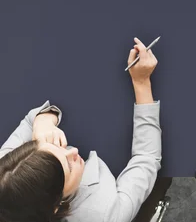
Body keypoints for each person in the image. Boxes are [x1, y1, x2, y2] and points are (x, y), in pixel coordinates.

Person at [0, 38, 161, 222]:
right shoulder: (104, 215)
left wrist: (43, 122)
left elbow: (31, 121)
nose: (73, 151)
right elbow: (146, 158)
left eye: (57, 150)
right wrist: (141, 83)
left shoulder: (7, 175)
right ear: (55, 207)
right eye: (68, 167)